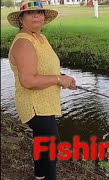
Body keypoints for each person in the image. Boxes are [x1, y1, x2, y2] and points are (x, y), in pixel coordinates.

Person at [7, 1, 76, 179]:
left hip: (45, 102)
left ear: (44, 17)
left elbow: (45, 69)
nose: (36, 16)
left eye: (39, 12)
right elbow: (28, 80)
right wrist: (59, 79)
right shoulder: (23, 42)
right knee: (51, 146)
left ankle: (39, 176)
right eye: (30, 13)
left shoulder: (40, 37)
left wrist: (63, 79)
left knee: (43, 143)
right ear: (21, 20)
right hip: (34, 104)